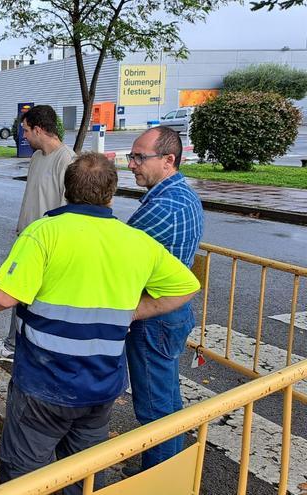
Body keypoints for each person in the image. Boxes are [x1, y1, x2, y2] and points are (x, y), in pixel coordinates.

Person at [0, 152, 200, 494]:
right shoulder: (137, 242)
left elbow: (2, 297)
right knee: (84, 473)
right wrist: (131, 312)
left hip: (44, 384)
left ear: (67, 189)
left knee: (24, 474)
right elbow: (185, 287)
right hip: (101, 387)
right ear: (110, 194)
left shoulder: (44, 233)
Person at [125, 126, 204, 474]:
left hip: (153, 317)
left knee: (155, 410)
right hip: (173, 312)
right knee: (168, 399)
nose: (131, 164)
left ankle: (159, 478)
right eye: (131, 156)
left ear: (168, 160)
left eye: (139, 157)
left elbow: (118, 257)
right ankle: (168, 471)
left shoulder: (162, 208)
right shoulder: (184, 194)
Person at [0, 105, 75, 362]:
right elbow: (33, 196)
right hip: (28, 237)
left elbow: (68, 208)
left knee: (24, 293)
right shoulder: (37, 158)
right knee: (21, 292)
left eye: (25, 130)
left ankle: (15, 345)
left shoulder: (67, 160)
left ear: (39, 129)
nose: (23, 136)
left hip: (48, 243)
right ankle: (15, 341)